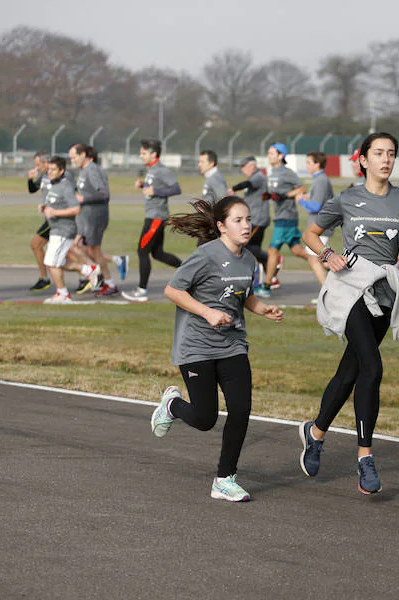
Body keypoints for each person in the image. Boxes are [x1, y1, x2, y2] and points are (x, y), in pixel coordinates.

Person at [298, 132, 399, 495]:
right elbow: (311, 234)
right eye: (378, 153)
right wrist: (327, 256)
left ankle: (315, 432)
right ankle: (365, 456)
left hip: (386, 293)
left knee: (351, 370)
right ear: (363, 160)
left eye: (391, 154)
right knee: (372, 367)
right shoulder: (347, 198)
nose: (385, 159)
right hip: (351, 287)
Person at [150, 196, 283, 502]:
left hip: (232, 344)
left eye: (248, 219)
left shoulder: (249, 259)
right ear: (222, 226)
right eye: (238, 220)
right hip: (196, 346)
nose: (246, 225)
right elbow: (173, 290)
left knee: (241, 409)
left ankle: (225, 478)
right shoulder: (205, 255)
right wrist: (207, 312)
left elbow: (242, 295)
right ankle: (172, 406)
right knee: (204, 418)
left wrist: (263, 310)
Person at [121, 138, 183, 303]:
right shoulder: (151, 169)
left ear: (153, 154)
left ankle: (141, 291)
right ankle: (186, 270)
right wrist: (143, 186)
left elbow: (176, 188)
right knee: (157, 253)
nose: (140, 155)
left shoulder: (161, 169)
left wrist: (154, 190)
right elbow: (152, 190)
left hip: (156, 217)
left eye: (143, 153)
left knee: (142, 251)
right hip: (153, 216)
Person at [39, 156, 100, 304]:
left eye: (53, 170)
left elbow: (76, 208)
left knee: (52, 262)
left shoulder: (65, 186)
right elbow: (56, 204)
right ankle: (87, 270)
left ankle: (63, 294)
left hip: (64, 231)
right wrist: (45, 208)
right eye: (48, 169)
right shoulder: (53, 185)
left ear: (61, 171)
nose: (50, 172)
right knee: (55, 262)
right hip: (56, 230)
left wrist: (54, 213)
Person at [254, 143, 311, 298]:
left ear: (281, 156)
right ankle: (324, 263)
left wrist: (286, 195)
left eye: (272, 153)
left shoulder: (286, 172)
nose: (269, 156)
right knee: (297, 251)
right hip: (281, 217)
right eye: (269, 153)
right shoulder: (272, 173)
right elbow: (276, 193)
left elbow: (302, 188)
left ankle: (266, 286)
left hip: (286, 217)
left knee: (273, 251)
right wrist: (270, 196)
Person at [69, 144, 125, 296]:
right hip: (87, 218)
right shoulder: (84, 171)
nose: (72, 160)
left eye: (74, 157)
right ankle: (100, 277)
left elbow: (104, 194)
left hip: (96, 217)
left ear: (83, 155)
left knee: (94, 250)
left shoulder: (92, 170)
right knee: (84, 248)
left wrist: (83, 198)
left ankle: (106, 281)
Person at [296, 151, 335, 287]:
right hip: (318, 227)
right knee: (320, 260)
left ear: (317, 164)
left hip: (321, 228)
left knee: (314, 259)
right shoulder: (319, 180)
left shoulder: (321, 180)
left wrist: (301, 200)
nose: (306, 165)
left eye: (309, 162)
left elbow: (315, 207)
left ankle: (329, 292)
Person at [228, 156, 269, 281]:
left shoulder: (258, 177)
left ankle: (272, 259)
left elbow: (247, 184)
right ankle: (270, 275)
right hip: (253, 219)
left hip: (258, 220)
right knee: (251, 248)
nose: (242, 170)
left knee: (246, 246)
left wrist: (233, 188)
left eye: (243, 167)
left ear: (252, 166)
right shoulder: (254, 178)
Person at [26, 150, 54, 292]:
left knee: (36, 244)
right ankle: (88, 274)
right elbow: (32, 190)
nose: (37, 168)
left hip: (57, 218)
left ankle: (88, 273)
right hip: (50, 217)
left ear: (46, 162)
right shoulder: (43, 176)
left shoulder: (60, 175)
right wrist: (30, 179)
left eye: (38, 165)